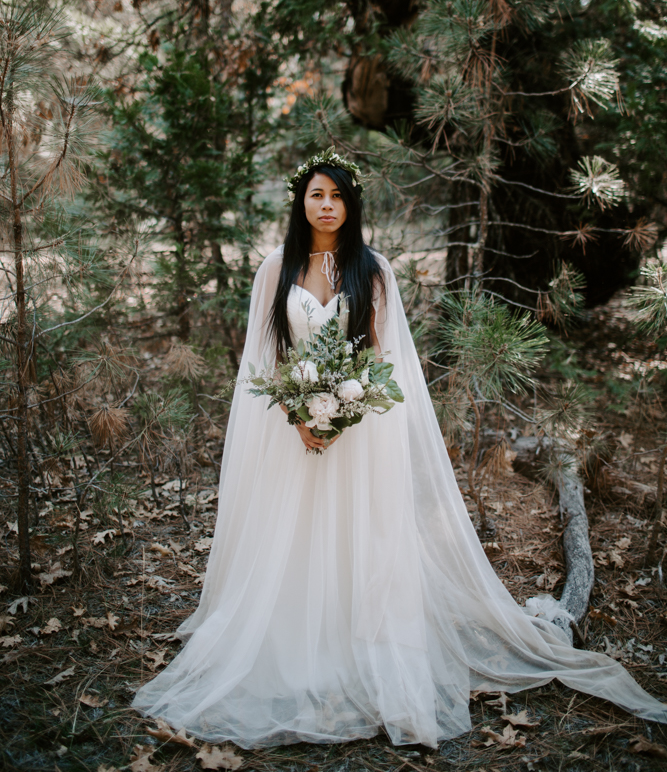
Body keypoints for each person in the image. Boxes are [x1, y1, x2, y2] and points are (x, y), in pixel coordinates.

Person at [133, 148, 667, 748]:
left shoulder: (373, 269)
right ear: (300, 202)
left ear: (351, 203)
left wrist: (348, 411)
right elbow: (264, 358)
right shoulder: (275, 269)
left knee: (356, 532)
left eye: (337, 196)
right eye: (317, 195)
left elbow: (387, 360)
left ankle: (360, 636)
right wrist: (297, 414)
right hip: (294, 428)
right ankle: (292, 639)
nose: (327, 205)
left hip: (359, 429)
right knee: (296, 530)